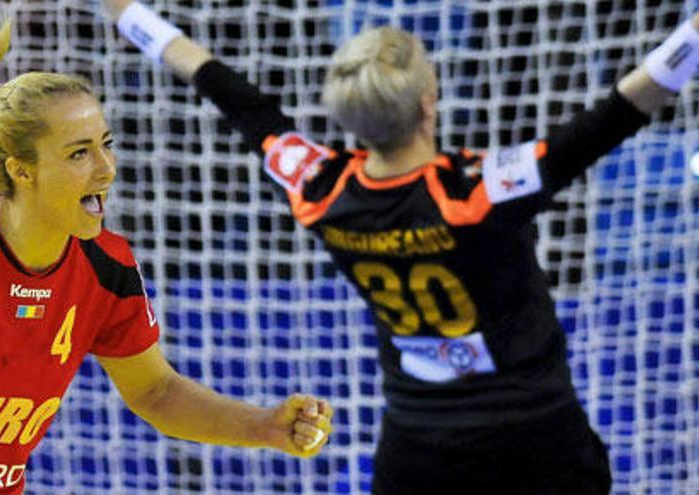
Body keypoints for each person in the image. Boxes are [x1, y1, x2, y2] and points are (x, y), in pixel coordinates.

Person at [104, 2, 699, 493]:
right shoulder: (480, 192)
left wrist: (125, 9)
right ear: (427, 103)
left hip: (418, 447)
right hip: (537, 442)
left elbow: (224, 88)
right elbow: (618, 113)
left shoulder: (320, 189)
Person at [0, 18, 333, 495]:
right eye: (79, 153)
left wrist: (264, 427)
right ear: (22, 171)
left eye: (105, 145)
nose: (107, 169)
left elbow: (156, 393)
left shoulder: (107, 269)